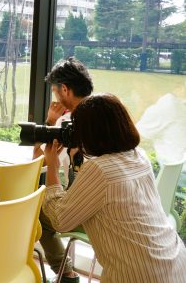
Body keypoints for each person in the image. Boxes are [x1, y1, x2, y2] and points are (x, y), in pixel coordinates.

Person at [43, 93, 186, 283]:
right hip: (174, 263)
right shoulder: (138, 156)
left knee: (45, 216)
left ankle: (66, 276)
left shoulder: (99, 168)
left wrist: (52, 168)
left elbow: (60, 220)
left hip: (139, 275)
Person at [33, 57, 93, 283]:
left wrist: (50, 123)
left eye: (56, 92)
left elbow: (39, 162)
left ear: (65, 89)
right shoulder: (105, 115)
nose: (56, 98)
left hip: (86, 213)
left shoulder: (67, 123)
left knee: (37, 213)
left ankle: (66, 274)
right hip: (112, 208)